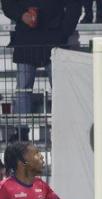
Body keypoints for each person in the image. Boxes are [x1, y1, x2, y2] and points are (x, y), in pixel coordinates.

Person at [0, 0, 81, 141]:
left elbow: (75, 5)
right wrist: (22, 15)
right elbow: (7, 3)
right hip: (26, 38)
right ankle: (22, 131)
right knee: (23, 89)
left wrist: (64, 32)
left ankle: (65, 127)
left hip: (54, 37)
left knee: (59, 89)